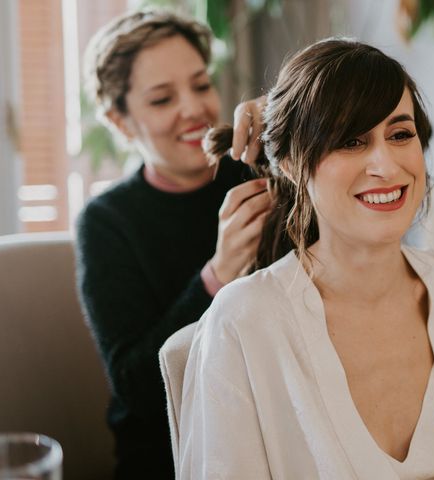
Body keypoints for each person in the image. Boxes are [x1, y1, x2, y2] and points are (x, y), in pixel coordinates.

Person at [178, 38, 434, 479]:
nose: (386, 165)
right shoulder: (246, 322)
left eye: (401, 134)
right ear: (290, 164)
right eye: (351, 140)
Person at [76, 8, 271, 479]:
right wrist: (218, 274)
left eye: (201, 85)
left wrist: (297, 118)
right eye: (162, 98)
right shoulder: (106, 223)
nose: (194, 109)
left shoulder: (261, 173)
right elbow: (137, 388)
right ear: (120, 122)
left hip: (274, 441)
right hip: (167, 457)